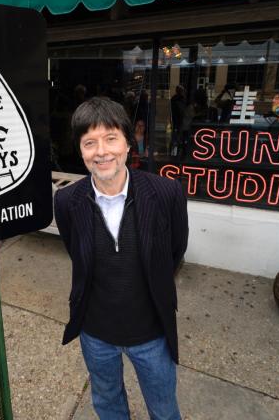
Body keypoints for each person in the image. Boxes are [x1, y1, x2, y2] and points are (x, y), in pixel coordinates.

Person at [54, 98, 188, 420]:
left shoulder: (166, 193)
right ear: (81, 151)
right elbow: (78, 254)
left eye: (111, 138)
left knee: (165, 410)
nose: (101, 152)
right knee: (108, 405)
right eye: (90, 142)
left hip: (151, 333)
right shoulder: (67, 201)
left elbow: (174, 253)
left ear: (128, 142)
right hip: (96, 333)